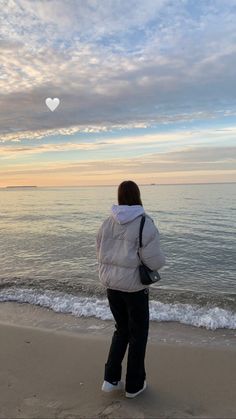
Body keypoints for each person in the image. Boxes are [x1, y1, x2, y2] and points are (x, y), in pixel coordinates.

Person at [96, 180, 165, 398]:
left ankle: (110, 379)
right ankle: (134, 386)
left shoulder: (108, 222)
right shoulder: (144, 222)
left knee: (121, 330)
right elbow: (154, 261)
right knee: (138, 335)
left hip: (111, 286)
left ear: (119, 197)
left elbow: (100, 251)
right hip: (134, 288)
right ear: (137, 196)